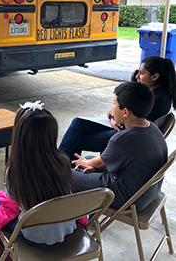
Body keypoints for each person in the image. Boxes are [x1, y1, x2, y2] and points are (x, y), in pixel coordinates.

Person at [0, 101, 77, 254]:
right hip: (67, 228)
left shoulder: (15, 170)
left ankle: (6, 255)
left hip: (35, 237)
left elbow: (11, 205)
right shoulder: (63, 161)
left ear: (19, 136)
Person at [59, 56, 176, 162]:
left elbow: (130, 121)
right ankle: (60, 166)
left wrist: (113, 117)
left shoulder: (159, 99)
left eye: (141, 73)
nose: (136, 77)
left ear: (155, 77)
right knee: (78, 123)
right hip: (120, 124)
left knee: (76, 139)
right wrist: (113, 116)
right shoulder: (148, 91)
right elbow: (122, 105)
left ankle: (60, 169)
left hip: (126, 134)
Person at [72, 82, 168, 210]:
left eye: (114, 104)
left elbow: (100, 164)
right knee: (87, 161)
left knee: (64, 176)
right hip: (146, 192)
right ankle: (90, 217)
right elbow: (104, 163)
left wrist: (88, 163)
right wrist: (90, 163)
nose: (112, 108)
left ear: (125, 112)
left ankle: (69, 220)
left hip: (127, 197)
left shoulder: (123, 138)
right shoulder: (152, 128)